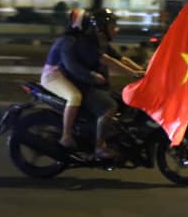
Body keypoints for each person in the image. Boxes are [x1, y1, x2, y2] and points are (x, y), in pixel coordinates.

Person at [58, 8, 144, 159]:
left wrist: (143, 71)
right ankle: (100, 147)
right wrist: (132, 73)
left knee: (125, 103)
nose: (116, 30)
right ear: (100, 28)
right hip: (85, 85)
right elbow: (107, 60)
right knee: (109, 107)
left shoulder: (102, 42)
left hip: (97, 86)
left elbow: (120, 59)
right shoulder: (88, 43)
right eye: (112, 26)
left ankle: (115, 138)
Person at [40, 8, 88, 150]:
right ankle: (66, 136)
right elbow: (70, 64)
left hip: (60, 75)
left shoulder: (74, 39)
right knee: (75, 96)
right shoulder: (68, 41)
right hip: (52, 76)